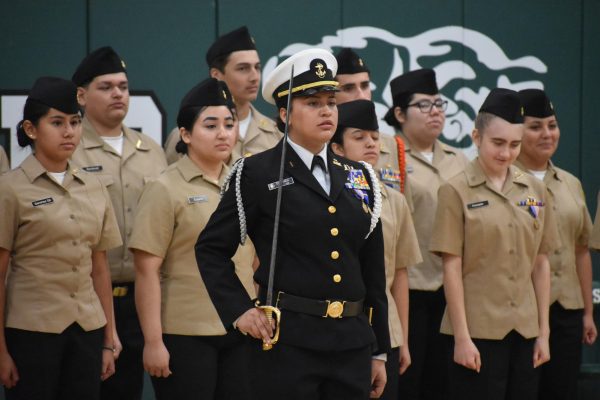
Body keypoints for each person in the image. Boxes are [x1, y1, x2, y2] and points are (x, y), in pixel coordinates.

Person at [195, 48, 390, 399]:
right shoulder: (256, 173)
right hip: (288, 345)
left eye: (331, 102)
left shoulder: (360, 176)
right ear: (285, 114)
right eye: (313, 103)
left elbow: (373, 268)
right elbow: (211, 249)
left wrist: (379, 349)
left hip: (352, 343)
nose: (327, 111)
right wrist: (240, 311)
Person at [430, 88, 560, 400]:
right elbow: (451, 267)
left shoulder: (535, 190)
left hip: (525, 331)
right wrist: (462, 337)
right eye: (497, 143)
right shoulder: (455, 190)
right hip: (478, 332)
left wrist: (543, 332)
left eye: (515, 145)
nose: (506, 153)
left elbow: (541, 264)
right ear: (476, 137)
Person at [130, 78, 256, 399]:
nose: (224, 133)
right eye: (210, 125)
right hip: (184, 333)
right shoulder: (164, 188)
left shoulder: (246, 183)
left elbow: (255, 256)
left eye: (230, 124)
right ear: (185, 134)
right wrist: (154, 342)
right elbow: (147, 271)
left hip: (241, 328)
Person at [0, 77, 121, 399]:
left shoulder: (94, 186)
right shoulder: (9, 189)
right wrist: (1, 350)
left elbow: (100, 267)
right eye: (57, 123)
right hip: (32, 331)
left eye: (75, 122)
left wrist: (109, 337)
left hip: (87, 328)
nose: (69, 132)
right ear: (30, 129)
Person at [70, 46, 167, 400]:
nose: (118, 94)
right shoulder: (70, 149)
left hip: (150, 297)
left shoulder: (151, 150)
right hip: (92, 299)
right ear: (81, 95)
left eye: (123, 87)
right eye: (106, 86)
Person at [383, 68, 469, 399]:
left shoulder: (458, 159)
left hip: (451, 290)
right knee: (408, 379)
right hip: (410, 287)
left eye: (439, 103)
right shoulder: (388, 155)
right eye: (424, 105)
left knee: (442, 381)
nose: (435, 111)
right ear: (400, 113)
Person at [330, 99, 422, 400]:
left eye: (374, 136)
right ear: (337, 148)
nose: (372, 143)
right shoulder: (323, 200)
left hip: (387, 332)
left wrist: (403, 339)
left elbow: (399, 275)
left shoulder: (393, 201)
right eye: (359, 137)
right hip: (336, 330)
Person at [513, 88, 597, 399]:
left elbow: (581, 250)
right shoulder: (507, 182)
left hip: (568, 310)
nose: (547, 134)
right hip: (523, 308)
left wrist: (587, 312)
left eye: (552, 124)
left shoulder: (571, 183)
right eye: (535, 126)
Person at [164, 26, 280, 164]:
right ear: (216, 75)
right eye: (243, 68)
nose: (254, 77)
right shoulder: (186, 135)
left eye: (257, 67)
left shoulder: (276, 134)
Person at [335, 48, 403, 192]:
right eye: (348, 88)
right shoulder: (319, 142)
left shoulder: (390, 144)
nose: (361, 95)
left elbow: (403, 206)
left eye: (365, 86)